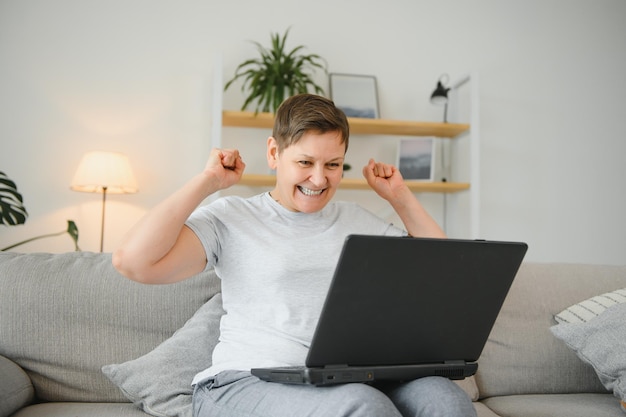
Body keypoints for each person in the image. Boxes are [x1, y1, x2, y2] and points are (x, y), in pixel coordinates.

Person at [113, 93, 477, 417]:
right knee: (363, 407)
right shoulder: (232, 217)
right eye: (305, 162)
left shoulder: (356, 220)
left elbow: (440, 272)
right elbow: (133, 262)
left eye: (333, 165)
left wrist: (399, 196)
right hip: (243, 382)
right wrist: (208, 182)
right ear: (274, 153)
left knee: (445, 401)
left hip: (345, 378)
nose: (319, 179)